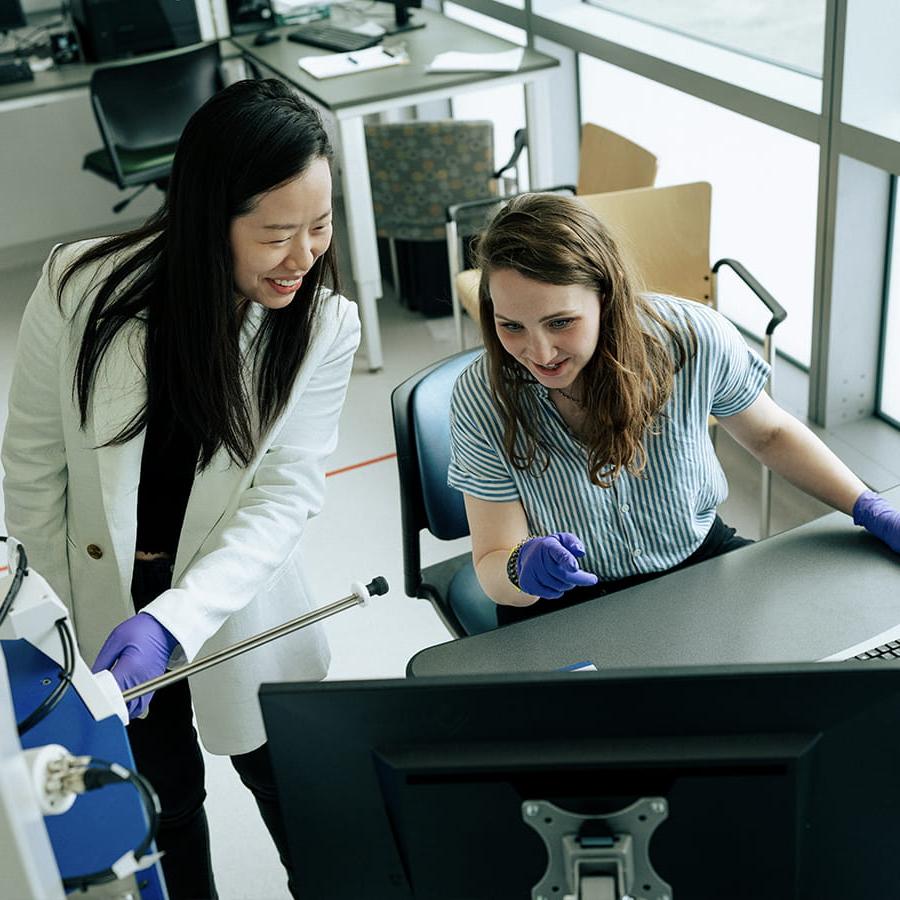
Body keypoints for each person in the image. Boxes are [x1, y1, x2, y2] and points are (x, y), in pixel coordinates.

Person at [2, 78, 360, 898]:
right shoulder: (78, 285)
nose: (304, 256)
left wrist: (173, 621)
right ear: (209, 218)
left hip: (239, 605)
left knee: (298, 795)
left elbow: (283, 498)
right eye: (276, 234)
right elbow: (32, 468)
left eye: (320, 226)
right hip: (107, 615)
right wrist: (66, 617)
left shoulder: (324, 326)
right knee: (161, 809)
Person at [448, 192, 900, 626]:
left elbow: (770, 435)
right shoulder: (481, 396)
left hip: (696, 558)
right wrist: (521, 571)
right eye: (512, 326)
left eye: (561, 322)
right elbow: (492, 561)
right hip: (565, 599)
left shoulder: (691, 338)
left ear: (606, 296)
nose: (540, 351)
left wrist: (865, 504)